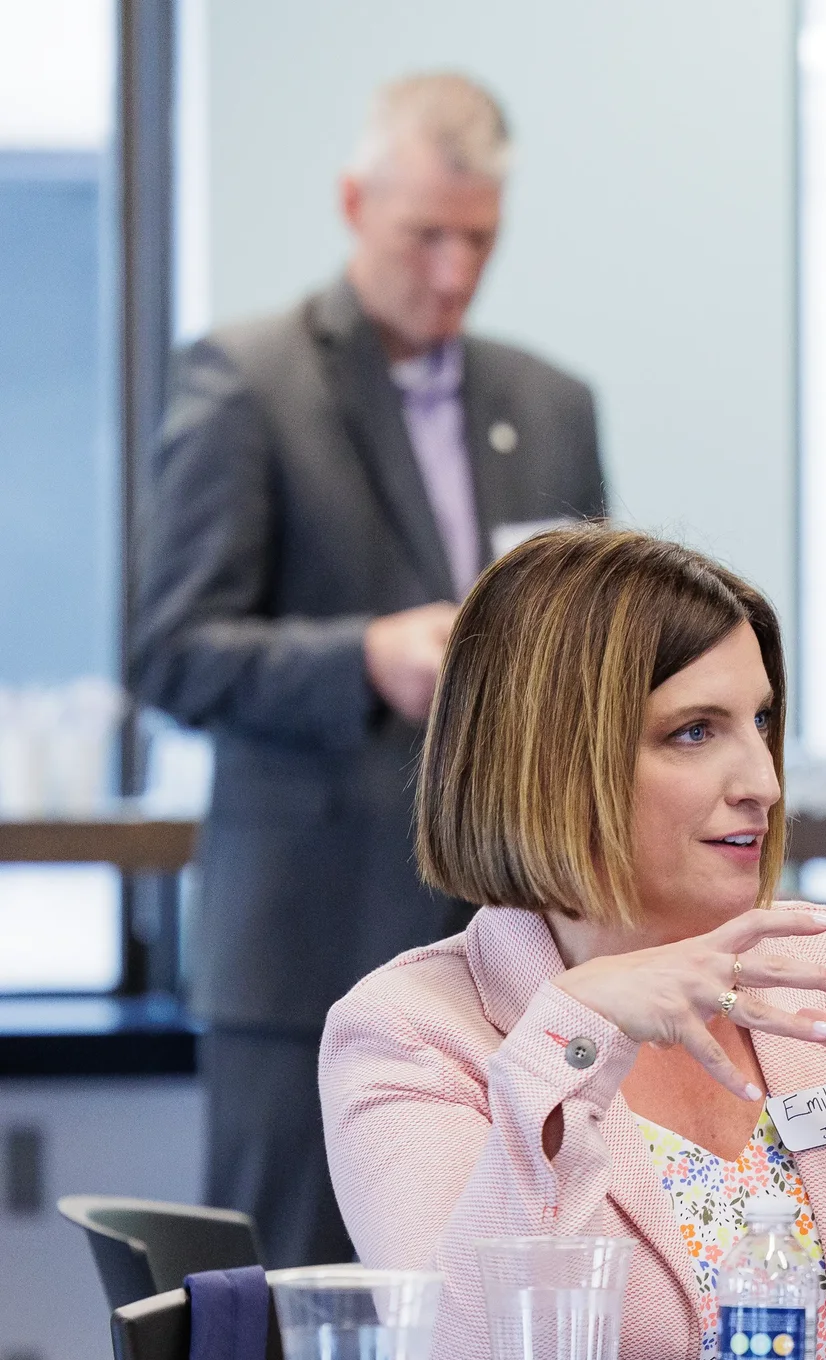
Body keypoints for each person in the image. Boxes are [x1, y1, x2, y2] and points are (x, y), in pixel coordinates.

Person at [319, 528, 826, 1360]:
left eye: (761, 722)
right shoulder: (411, 1030)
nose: (763, 781)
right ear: (549, 761)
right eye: (695, 731)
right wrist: (570, 1039)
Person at [127, 74, 604, 1267]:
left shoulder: (549, 405)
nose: (452, 272)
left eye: (478, 240)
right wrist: (363, 657)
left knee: (494, 1301)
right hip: (307, 954)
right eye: (424, 236)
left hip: (512, 947)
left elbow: (597, 649)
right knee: (280, 1319)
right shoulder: (250, 382)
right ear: (355, 203)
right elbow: (168, 649)